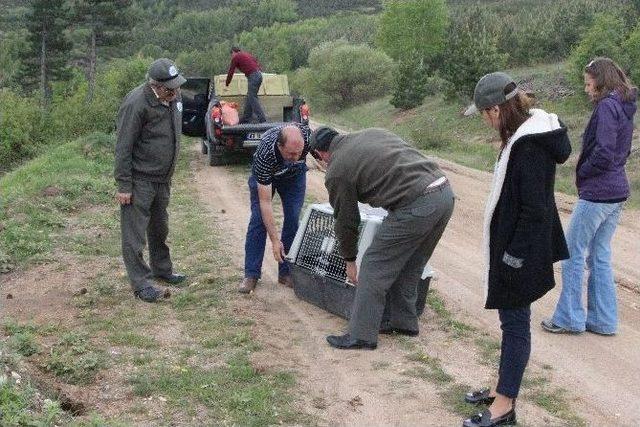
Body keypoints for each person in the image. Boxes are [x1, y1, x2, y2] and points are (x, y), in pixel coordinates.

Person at [461, 72, 571, 427]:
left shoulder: (530, 148)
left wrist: (513, 257)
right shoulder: (522, 138)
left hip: (519, 251)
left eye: (483, 114)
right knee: (511, 324)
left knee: (516, 325)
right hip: (514, 246)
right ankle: (502, 388)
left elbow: (535, 211)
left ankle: (505, 405)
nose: (483, 121)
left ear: (495, 110)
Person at [310, 127, 455, 351]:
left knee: (374, 264)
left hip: (416, 203)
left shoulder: (337, 170)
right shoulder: (371, 133)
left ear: (321, 153)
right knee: (411, 263)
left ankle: (361, 335)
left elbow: (346, 221)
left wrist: (349, 259)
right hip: (444, 194)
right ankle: (404, 322)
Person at [542, 58, 636, 336]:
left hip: (598, 192)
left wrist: (584, 170)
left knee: (571, 253)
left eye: (588, 82)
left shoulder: (607, 106)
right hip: (617, 192)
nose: (586, 88)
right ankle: (603, 320)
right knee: (600, 257)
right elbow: (623, 150)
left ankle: (569, 317)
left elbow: (605, 152)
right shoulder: (624, 105)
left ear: (600, 80)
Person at [114, 58, 188, 303]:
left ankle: (162, 270)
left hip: (162, 179)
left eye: (177, 87)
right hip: (140, 180)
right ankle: (141, 283)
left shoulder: (173, 99)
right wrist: (124, 185)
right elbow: (123, 147)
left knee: (160, 228)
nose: (176, 93)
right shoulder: (136, 103)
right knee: (134, 235)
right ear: (155, 86)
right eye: (171, 89)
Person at [238, 124, 311, 294]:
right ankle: (251, 274)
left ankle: (286, 272)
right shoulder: (266, 152)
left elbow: (322, 157)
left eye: (299, 153)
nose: (296, 156)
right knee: (258, 220)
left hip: (294, 177)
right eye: (291, 153)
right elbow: (265, 203)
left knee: (293, 219)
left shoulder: (307, 138)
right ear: (280, 146)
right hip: (267, 176)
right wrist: (275, 241)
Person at [225, 46, 267, 124]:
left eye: (232, 54)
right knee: (250, 96)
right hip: (259, 75)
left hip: (253, 76)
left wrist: (227, 83)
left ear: (234, 52)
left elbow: (231, 71)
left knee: (252, 97)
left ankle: (262, 119)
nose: (232, 56)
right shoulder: (246, 54)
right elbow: (256, 62)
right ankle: (246, 119)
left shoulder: (236, 57)